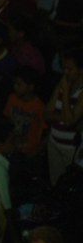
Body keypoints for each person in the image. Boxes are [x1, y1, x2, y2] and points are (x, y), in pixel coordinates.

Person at [44, 48, 83, 185]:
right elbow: (47, 114)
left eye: (70, 69)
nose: (65, 73)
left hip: (71, 150)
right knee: (55, 184)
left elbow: (67, 122)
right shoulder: (61, 85)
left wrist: (65, 93)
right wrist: (64, 117)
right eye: (64, 68)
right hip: (54, 143)